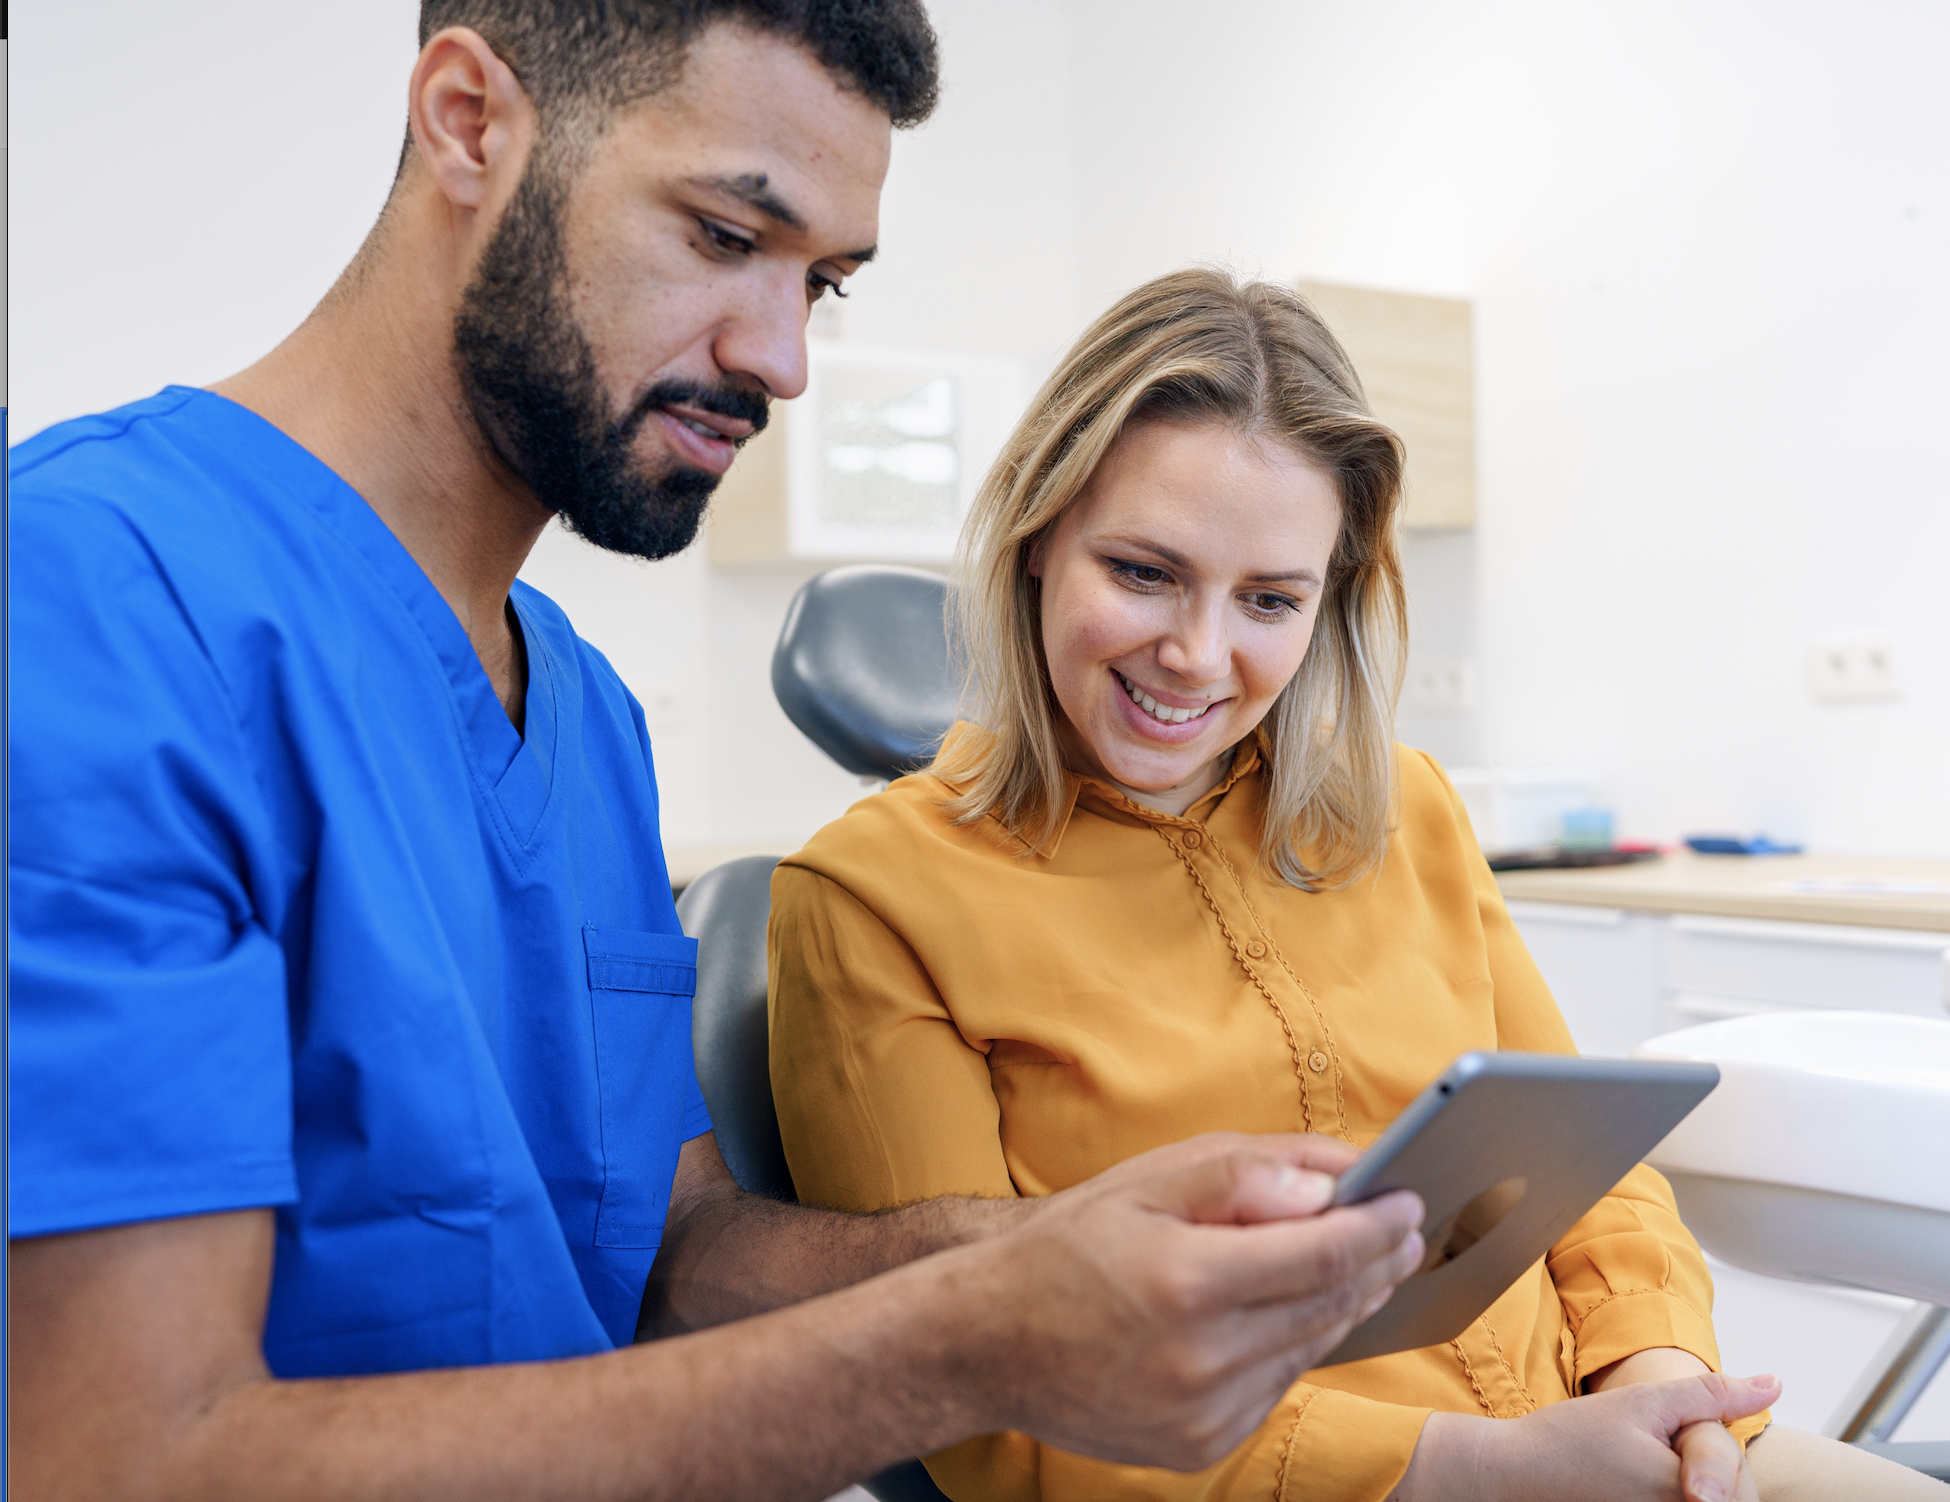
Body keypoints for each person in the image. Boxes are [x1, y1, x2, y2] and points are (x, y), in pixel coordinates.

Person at [4, 9, 1440, 1500]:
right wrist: (967, 1341)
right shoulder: (83, 609)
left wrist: (1039, 1246)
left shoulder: (579, 712)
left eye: (819, 279)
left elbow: (669, 1256)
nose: (781, 356)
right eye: (719, 234)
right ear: (466, 119)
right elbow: (115, 1456)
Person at [767, 269, 1946, 1501]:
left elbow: (1582, 1174)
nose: (1199, 653)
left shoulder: (1409, 810)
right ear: (1035, 539)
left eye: (1269, 598)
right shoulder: (869, 901)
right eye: (1144, 571)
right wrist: (1481, 1469)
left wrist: (1665, 1387)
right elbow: (980, 1409)